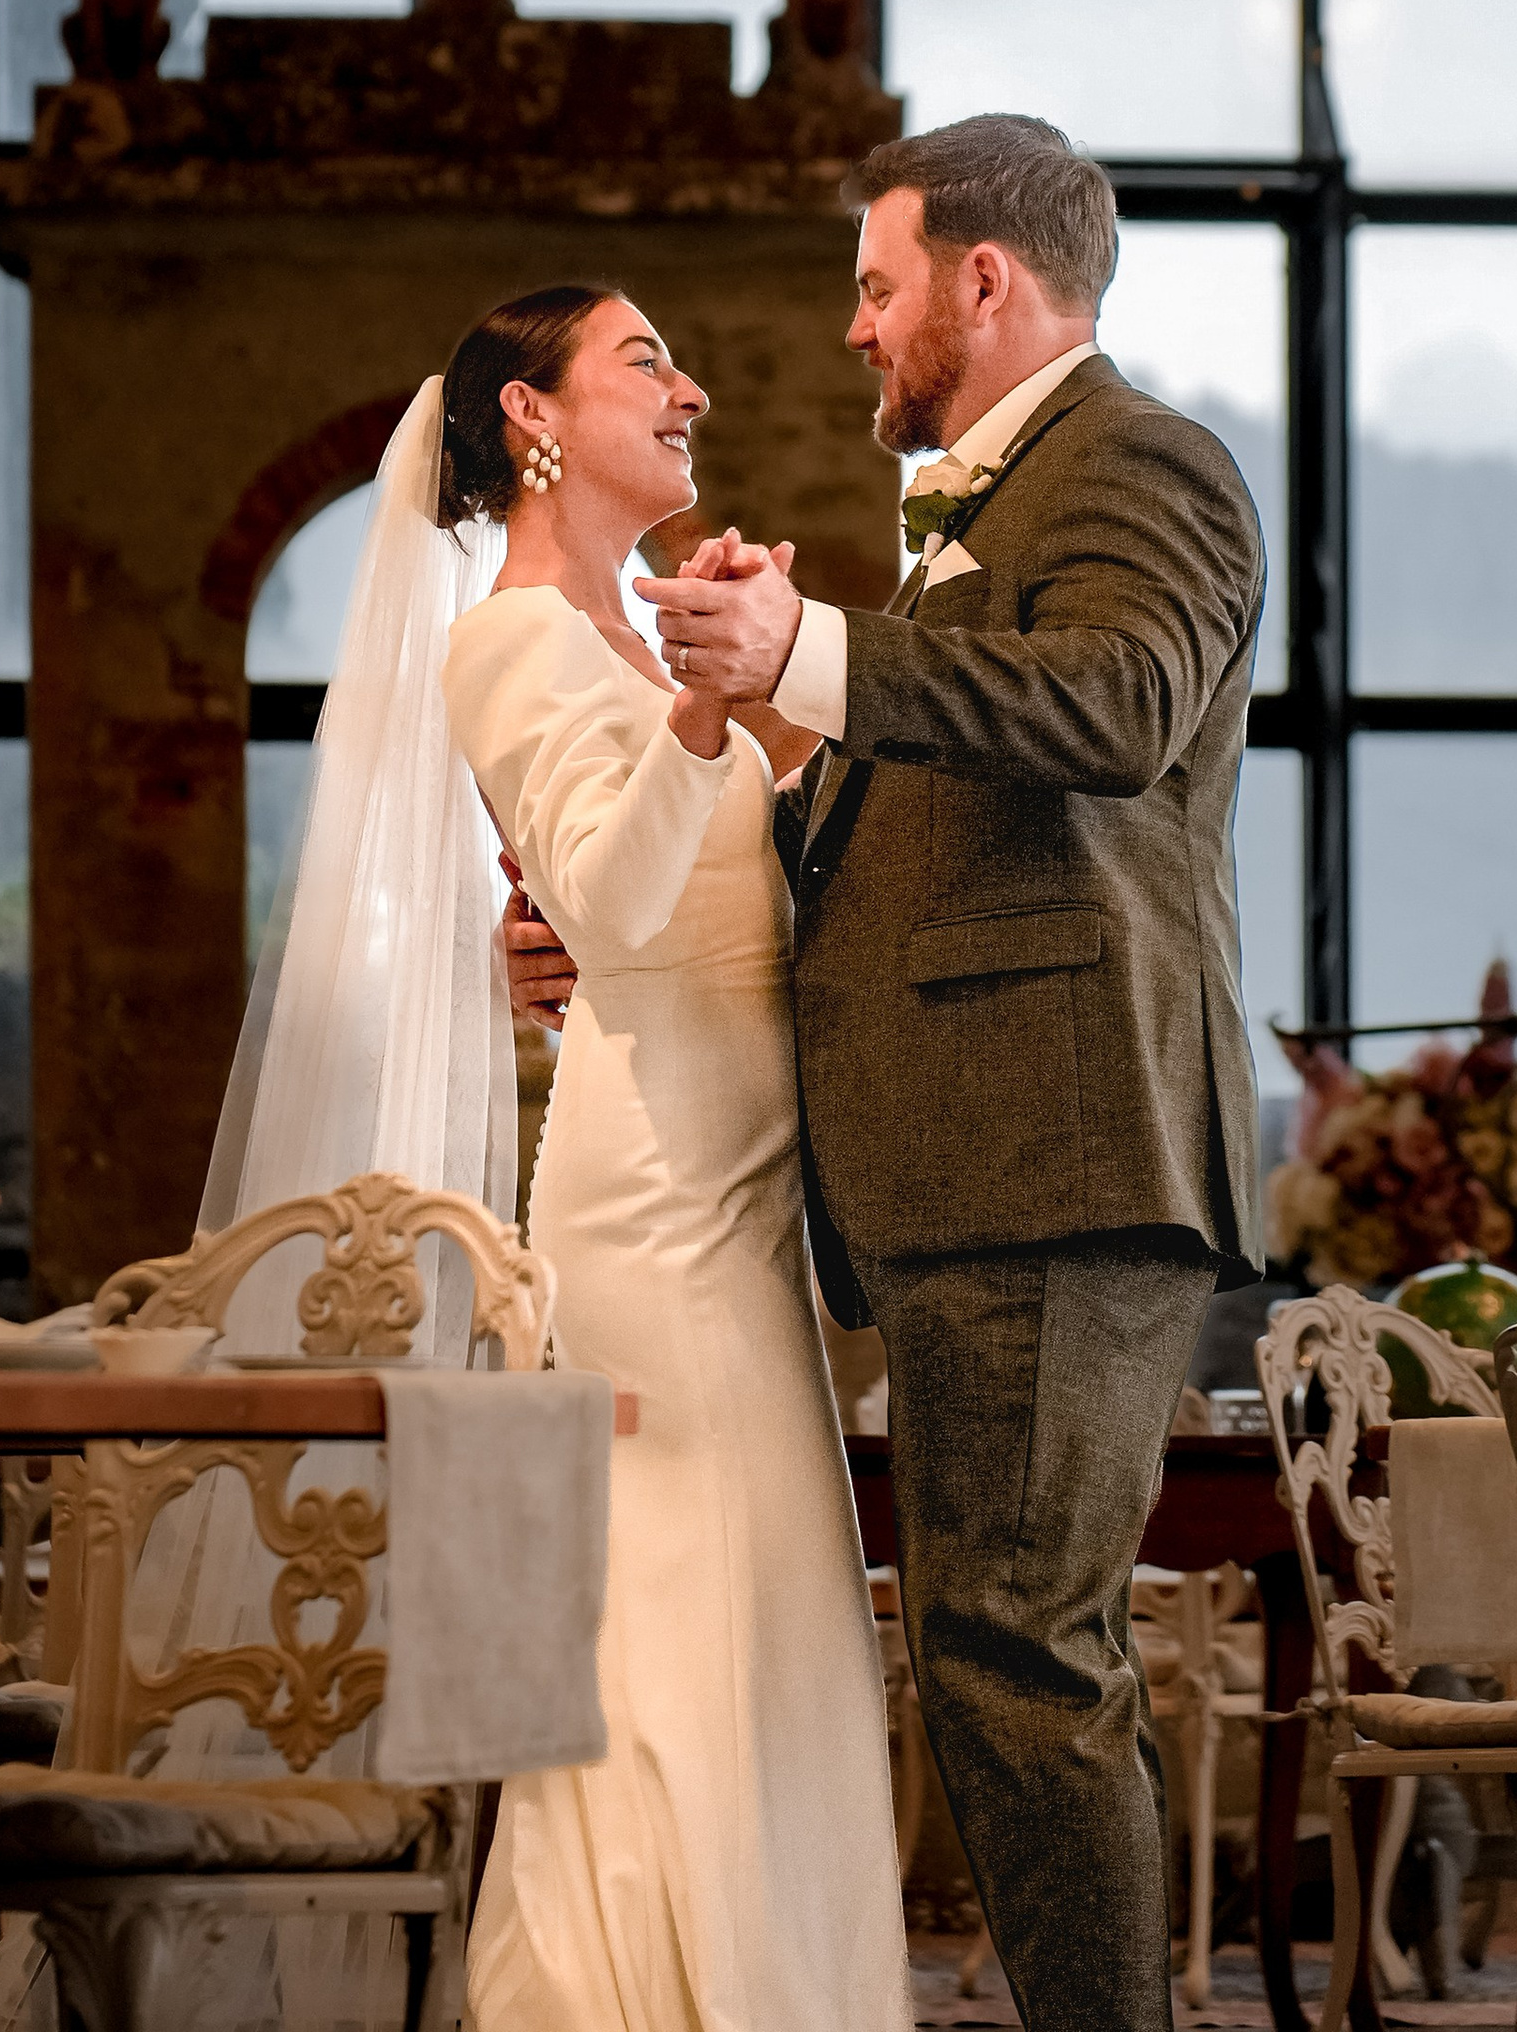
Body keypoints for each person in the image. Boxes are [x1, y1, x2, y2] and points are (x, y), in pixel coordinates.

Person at [635, 114, 1265, 2032]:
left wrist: (808, 648)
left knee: (1020, 1653)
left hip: (1054, 1151)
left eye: (876, 284)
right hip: (972, 1164)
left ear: (983, 282)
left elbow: (1119, 704)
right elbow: (926, 835)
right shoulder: (985, 514)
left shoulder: (1144, 461)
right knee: (997, 1650)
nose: (854, 327)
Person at [438, 285, 912, 2032]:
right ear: (531, 417)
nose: (691, 387)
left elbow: (707, 889)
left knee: (768, 1632)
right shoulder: (509, 641)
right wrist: (712, 717)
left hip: (747, 1193)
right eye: (645, 361)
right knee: (693, 1631)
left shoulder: (636, 635)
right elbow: (612, 896)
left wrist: (742, 694)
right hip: (655, 1208)